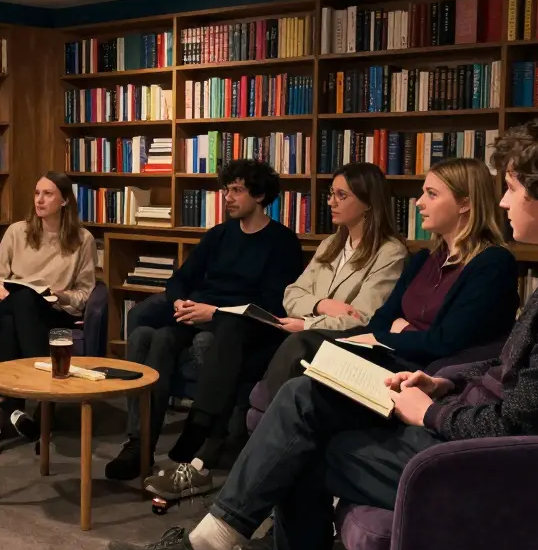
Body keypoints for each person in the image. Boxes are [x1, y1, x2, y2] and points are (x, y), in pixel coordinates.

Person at [101, 112, 538, 550]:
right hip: (483, 435)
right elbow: (514, 369)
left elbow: (520, 419)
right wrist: (448, 382)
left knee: (302, 443)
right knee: (303, 398)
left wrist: (430, 411)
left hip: (504, 471)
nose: (502, 199)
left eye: (514, 188)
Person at [238, 156, 519, 550]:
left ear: (465, 204)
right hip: (393, 357)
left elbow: (446, 340)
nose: (419, 202)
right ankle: (266, 455)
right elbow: (388, 318)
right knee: (305, 357)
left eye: (431, 193)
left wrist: (399, 332)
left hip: (422, 377)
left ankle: (262, 452)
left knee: (306, 354)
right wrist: (401, 330)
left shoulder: (492, 262)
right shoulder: (425, 259)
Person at [110, 163, 408, 499]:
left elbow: (361, 318)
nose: (331, 202)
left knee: (231, 333)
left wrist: (308, 319)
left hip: (312, 341)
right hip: (288, 330)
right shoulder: (330, 246)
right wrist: (323, 304)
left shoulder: (389, 252)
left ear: (368, 202)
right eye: (330, 194)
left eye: (341, 195)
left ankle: (199, 451)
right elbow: (293, 294)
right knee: (170, 337)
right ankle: (174, 449)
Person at [112, 159, 302, 478]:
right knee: (149, 336)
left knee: (171, 337)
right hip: (198, 313)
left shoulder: (281, 242)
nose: (228, 197)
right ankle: (140, 445)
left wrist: (212, 311)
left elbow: (272, 303)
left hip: (240, 324)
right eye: (226, 189)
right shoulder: (219, 235)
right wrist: (180, 301)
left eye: (237, 190)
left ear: (259, 196)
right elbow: (180, 278)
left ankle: (198, 430)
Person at [0, 172, 96, 456]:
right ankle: (41, 402)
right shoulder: (17, 231)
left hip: (53, 311)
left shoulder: (83, 239)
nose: (39, 200)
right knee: (17, 304)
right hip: (11, 305)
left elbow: (84, 294)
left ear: (64, 200)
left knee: (21, 305)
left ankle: (0, 414)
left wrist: (61, 293)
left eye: (48, 194)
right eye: (37, 193)